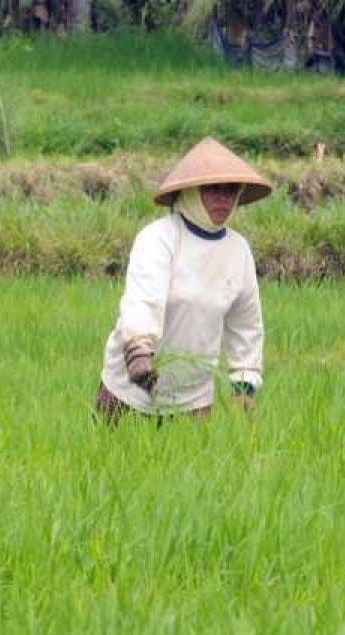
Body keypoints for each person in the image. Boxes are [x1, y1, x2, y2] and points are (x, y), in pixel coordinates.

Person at [95, 137, 272, 423]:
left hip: (193, 399)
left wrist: (244, 383)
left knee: (184, 466)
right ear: (190, 192)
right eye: (213, 189)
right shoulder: (159, 238)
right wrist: (140, 351)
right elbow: (143, 298)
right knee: (114, 464)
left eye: (231, 191)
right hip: (130, 390)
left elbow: (246, 324)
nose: (223, 198)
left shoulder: (238, 250)